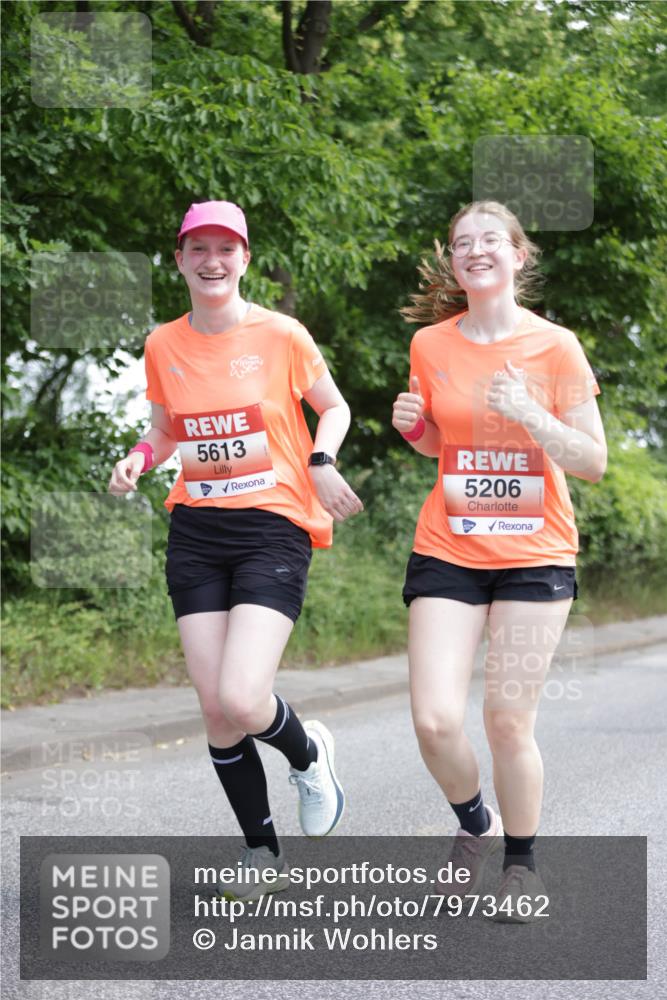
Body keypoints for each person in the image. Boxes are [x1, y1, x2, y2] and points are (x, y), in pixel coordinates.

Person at [108, 200, 363, 900]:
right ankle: (261, 853)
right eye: (199, 250)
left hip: (271, 523)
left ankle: (308, 757)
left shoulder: (280, 333)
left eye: (226, 249)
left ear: (244, 258)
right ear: (180, 259)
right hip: (196, 528)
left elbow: (333, 406)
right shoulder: (163, 343)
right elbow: (166, 432)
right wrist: (137, 458)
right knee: (216, 709)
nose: (212, 261)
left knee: (244, 696)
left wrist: (320, 458)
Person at [392, 200, 606, 922]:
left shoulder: (555, 347)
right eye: (461, 242)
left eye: (490, 239)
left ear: (519, 255)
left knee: (507, 721)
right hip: (449, 546)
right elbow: (435, 446)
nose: (474, 249)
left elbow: (592, 460)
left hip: (533, 556)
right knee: (432, 720)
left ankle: (522, 868)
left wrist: (532, 415)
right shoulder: (430, 345)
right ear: (453, 263)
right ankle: (473, 820)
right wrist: (416, 428)